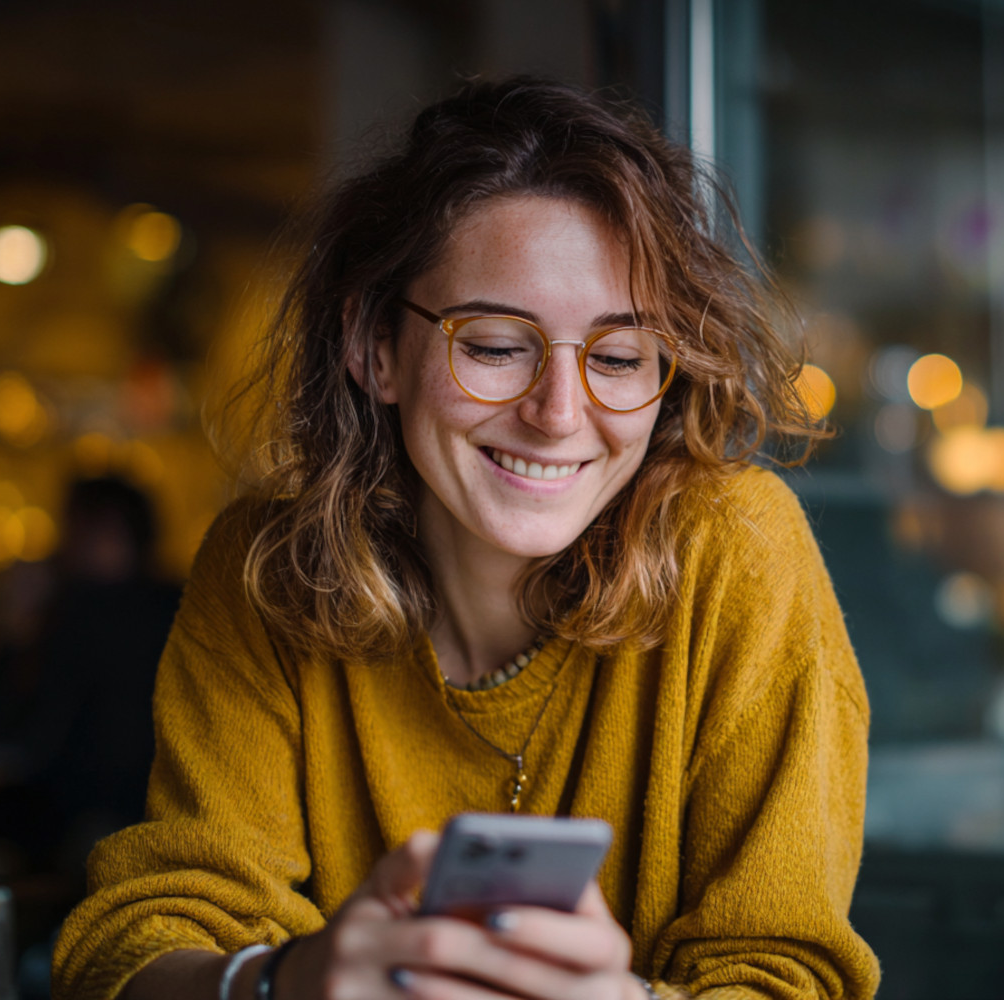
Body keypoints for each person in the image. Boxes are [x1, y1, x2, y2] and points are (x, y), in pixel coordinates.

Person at [52, 77, 880, 1000]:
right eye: (494, 345)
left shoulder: (737, 552)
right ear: (373, 346)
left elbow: (791, 974)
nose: (561, 415)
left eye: (615, 358)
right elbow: (135, 942)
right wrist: (286, 983)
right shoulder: (269, 568)